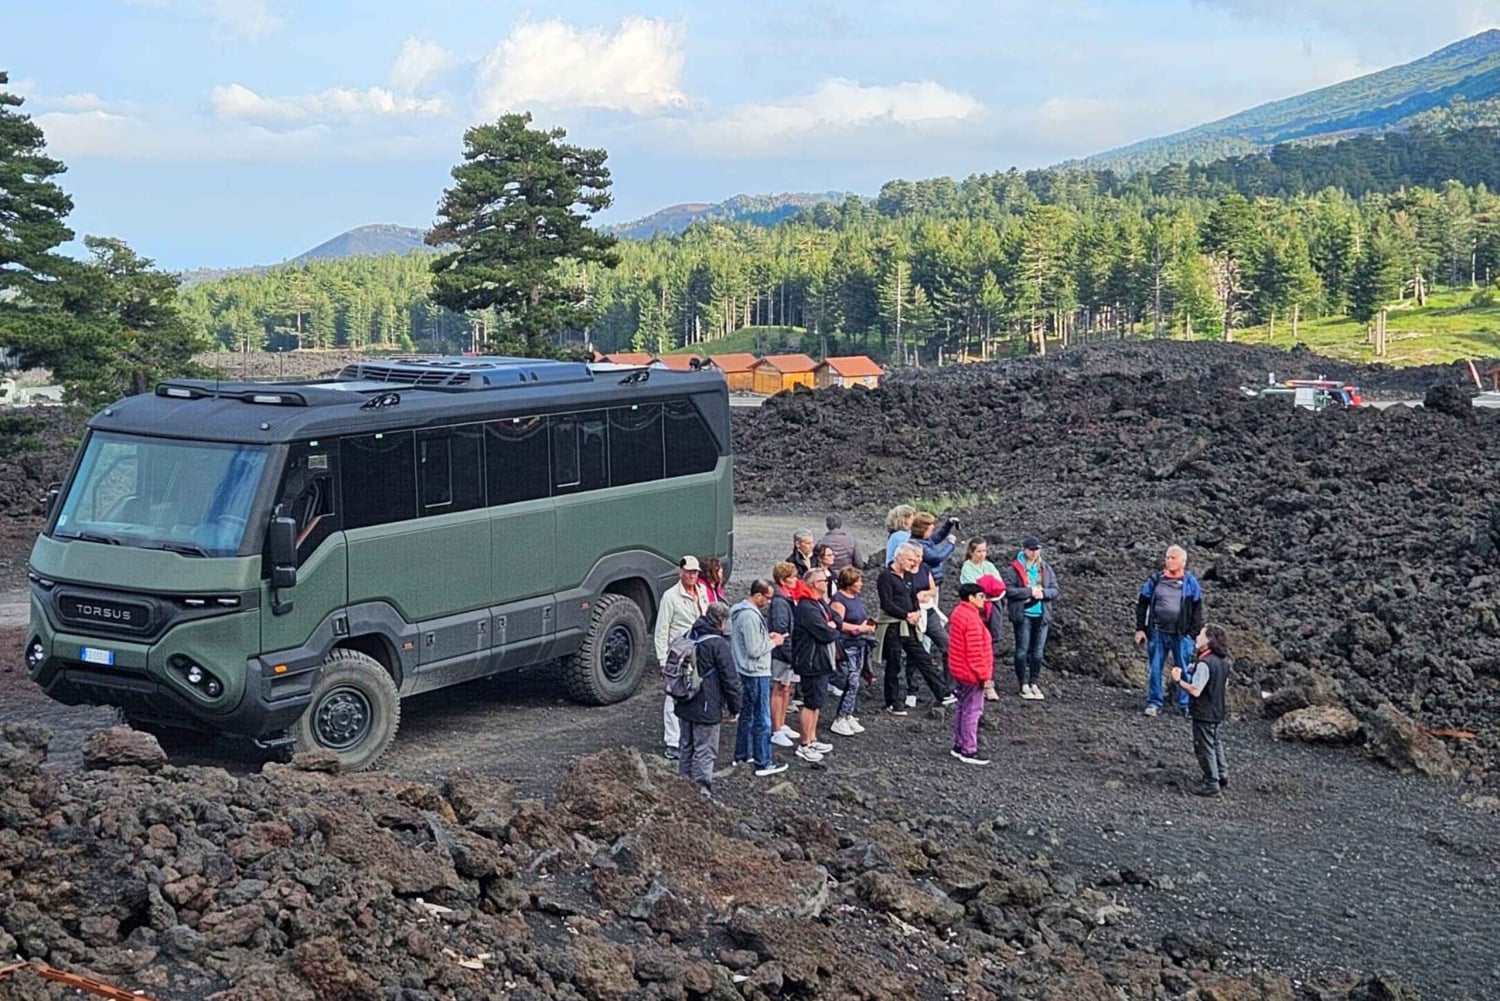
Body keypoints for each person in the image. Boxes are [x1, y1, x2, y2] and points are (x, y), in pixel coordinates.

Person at [671, 602, 742, 797]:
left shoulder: (689, 635)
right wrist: (735, 708)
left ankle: (682, 790)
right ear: (721, 621)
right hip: (706, 706)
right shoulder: (717, 644)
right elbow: (730, 679)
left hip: (683, 700)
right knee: (704, 751)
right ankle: (701, 795)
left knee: (686, 747)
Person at [877, 543, 952, 714]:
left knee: (922, 657)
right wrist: (906, 615)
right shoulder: (885, 577)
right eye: (910, 559)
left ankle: (942, 692)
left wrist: (917, 612)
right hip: (892, 626)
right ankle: (893, 702)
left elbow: (913, 597)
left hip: (909, 624)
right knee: (894, 663)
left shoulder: (908, 576)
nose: (914, 563)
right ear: (899, 557)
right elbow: (886, 603)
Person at [1134, 545, 1204, 717]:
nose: (1169, 561)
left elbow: (1197, 609)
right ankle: (1154, 702)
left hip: (1181, 634)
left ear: (1183, 562)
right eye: (1167, 557)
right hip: (1158, 631)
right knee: (1155, 668)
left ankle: (1185, 704)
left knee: (1184, 668)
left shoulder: (1190, 583)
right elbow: (1142, 603)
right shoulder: (1155, 579)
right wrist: (1140, 628)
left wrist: (1192, 634)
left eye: (1173, 558)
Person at [730, 580, 789, 777]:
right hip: (756, 672)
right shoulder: (749, 617)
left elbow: (752, 642)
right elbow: (754, 650)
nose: (769, 602)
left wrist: (766, 637)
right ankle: (763, 762)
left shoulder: (741, 613)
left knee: (747, 715)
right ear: (757, 596)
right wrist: (774, 642)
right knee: (762, 719)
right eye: (767, 598)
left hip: (746, 671)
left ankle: (742, 755)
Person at [654, 555, 709, 759]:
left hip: (698, 650)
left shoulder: (702, 591)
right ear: (681, 572)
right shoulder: (670, 597)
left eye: (695, 572)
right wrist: (662, 660)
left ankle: (687, 736)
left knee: (696, 691)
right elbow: (661, 630)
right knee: (673, 695)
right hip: (678, 654)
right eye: (690, 572)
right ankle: (672, 741)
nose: (693, 576)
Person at [1172, 625, 1231, 796]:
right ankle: (1221, 774)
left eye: (1201, 635)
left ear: (1209, 640)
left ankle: (1211, 783)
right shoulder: (1223, 662)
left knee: (1204, 747)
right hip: (1217, 710)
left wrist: (1178, 681)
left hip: (1204, 712)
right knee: (1215, 742)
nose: (1197, 637)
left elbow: (1196, 690)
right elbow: (1221, 684)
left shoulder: (1205, 663)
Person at [791, 567, 840, 763]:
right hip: (810, 661)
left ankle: (812, 738)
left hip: (820, 659)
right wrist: (831, 628)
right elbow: (825, 632)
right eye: (823, 581)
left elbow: (836, 619)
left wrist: (832, 625)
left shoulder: (818, 603)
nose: (826, 583)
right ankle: (804, 744)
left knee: (817, 701)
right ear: (813, 584)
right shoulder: (806, 607)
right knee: (810, 702)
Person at [1002, 537, 1058, 701]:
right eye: (1031, 549)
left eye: (1037, 549)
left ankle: (1034, 681)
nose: (1034, 553)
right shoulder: (1014, 569)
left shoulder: (1045, 568)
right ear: (1025, 550)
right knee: (1022, 650)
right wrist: (1029, 592)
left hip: (1042, 615)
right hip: (1024, 614)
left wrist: (1044, 594)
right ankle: (1022, 683)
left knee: (1038, 652)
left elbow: (1055, 589)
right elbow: (1008, 590)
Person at [947, 582, 994, 766]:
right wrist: (985, 677)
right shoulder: (971, 619)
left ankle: (959, 745)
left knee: (962, 707)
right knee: (972, 711)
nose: (984, 600)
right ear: (971, 597)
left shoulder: (959, 613)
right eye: (981, 596)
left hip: (960, 670)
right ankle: (969, 749)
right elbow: (975, 652)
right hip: (971, 673)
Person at [828, 567, 876, 736]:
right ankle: (840, 717)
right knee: (851, 681)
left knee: (855, 681)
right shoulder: (838, 600)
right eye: (858, 581)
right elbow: (838, 623)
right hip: (847, 645)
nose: (861, 584)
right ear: (849, 583)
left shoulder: (855, 597)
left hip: (859, 644)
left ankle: (848, 713)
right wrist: (859, 628)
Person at [767, 561, 801, 747]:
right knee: (779, 689)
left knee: (786, 688)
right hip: (783, 654)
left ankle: (782, 723)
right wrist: (790, 654)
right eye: (793, 577)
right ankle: (776, 727)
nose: (796, 580)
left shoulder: (786, 598)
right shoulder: (780, 602)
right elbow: (781, 630)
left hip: (788, 652)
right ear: (783, 580)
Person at [910, 511, 960, 584]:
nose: (933, 527)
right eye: (930, 525)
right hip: (926, 582)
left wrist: (949, 524)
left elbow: (938, 537)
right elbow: (936, 557)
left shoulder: (924, 539)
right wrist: (950, 544)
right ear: (923, 528)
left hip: (933, 579)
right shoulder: (918, 545)